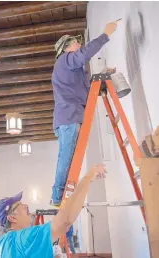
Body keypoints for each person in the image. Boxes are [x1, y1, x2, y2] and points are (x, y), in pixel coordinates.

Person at [50, 21, 118, 206]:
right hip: (69, 117)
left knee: (68, 156)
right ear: (66, 49)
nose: (79, 45)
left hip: (70, 116)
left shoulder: (74, 71)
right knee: (66, 156)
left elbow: (86, 93)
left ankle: (60, 195)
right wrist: (105, 34)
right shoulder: (64, 61)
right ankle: (57, 196)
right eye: (75, 43)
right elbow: (82, 55)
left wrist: (102, 75)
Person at [0, 164, 106, 258]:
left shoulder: (1, 242)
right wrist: (87, 178)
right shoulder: (23, 238)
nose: (26, 205)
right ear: (11, 218)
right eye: (20, 205)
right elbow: (65, 220)